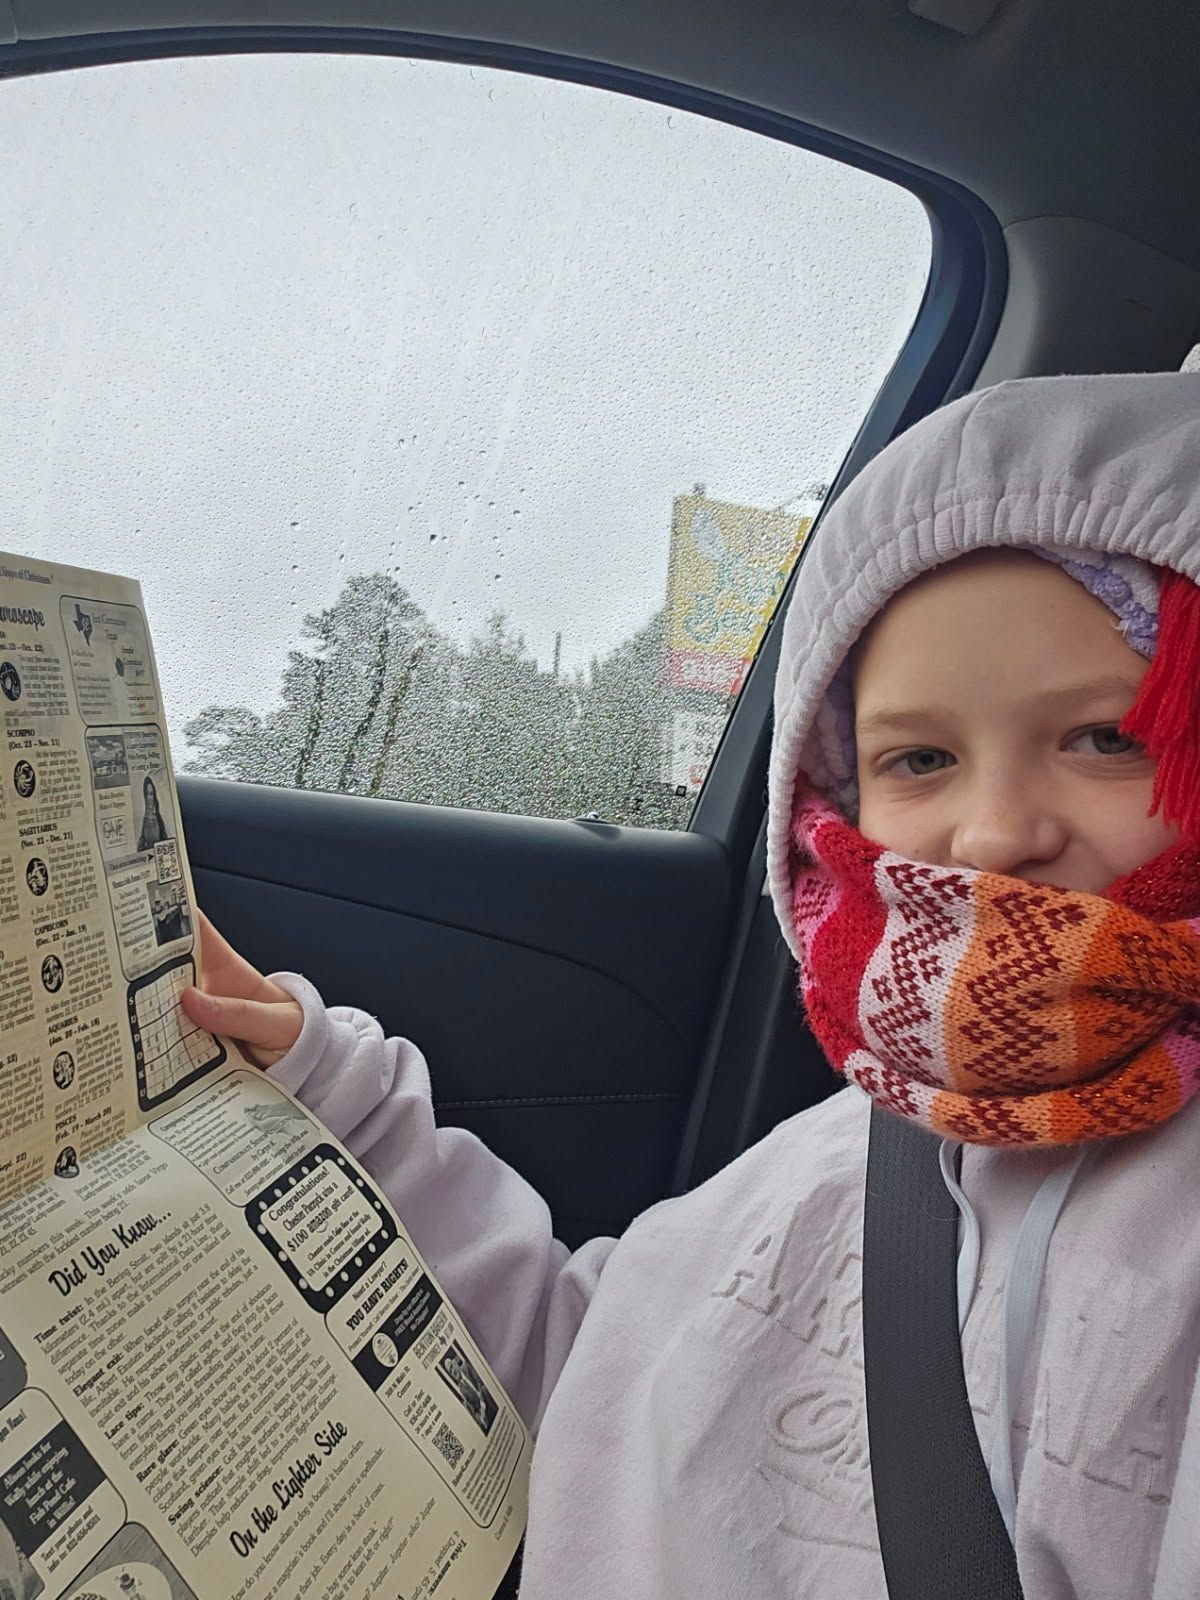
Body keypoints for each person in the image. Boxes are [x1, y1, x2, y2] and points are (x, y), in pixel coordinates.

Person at [181, 373, 1200, 1598]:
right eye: (918, 758)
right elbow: (590, 1391)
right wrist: (330, 1094)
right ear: (833, 801)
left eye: (1107, 738)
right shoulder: (837, 1151)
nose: (989, 834)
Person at [138, 775, 169, 851]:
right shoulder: (142, 821)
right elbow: (139, 847)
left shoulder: (159, 819)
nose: (149, 798)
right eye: (146, 794)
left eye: (151, 794)